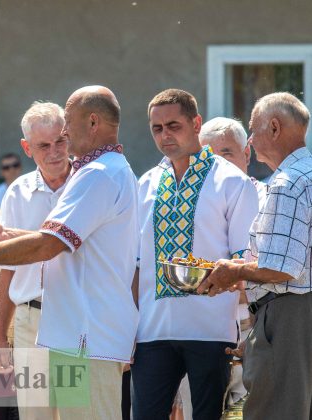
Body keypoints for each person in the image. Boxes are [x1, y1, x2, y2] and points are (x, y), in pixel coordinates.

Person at [0, 85, 139, 420]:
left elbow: (49, 245)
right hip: (74, 333)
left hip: (86, 337)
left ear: (92, 122)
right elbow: (63, 243)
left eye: (67, 124)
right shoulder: (106, 170)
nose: (64, 134)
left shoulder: (98, 174)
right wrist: (3, 234)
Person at [130, 89, 258, 420]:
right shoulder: (146, 184)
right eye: (157, 128)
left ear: (196, 123)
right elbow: (135, 265)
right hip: (151, 332)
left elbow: (244, 263)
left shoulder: (232, 182)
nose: (165, 135)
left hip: (211, 331)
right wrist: (128, 328)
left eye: (173, 125)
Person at [197, 92, 312, 420]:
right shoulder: (306, 173)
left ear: (274, 128)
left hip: (289, 316)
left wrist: (233, 271)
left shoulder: (286, 183)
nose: (250, 138)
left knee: (276, 412)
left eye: (253, 129)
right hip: (294, 316)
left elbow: (282, 268)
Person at [0, 101, 70, 420]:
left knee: (73, 412)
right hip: (29, 323)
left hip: (74, 319)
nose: (54, 152)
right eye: (43, 145)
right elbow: (7, 268)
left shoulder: (88, 184)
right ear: (27, 148)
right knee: (36, 416)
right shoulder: (16, 193)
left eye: (60, 141)